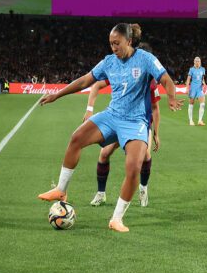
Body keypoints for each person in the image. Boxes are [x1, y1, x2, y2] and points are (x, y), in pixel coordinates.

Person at [37, 23, 182, 232]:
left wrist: (171, 97)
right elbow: (85, 81)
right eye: (111, 44)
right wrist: (57, 95)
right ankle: (61, 190)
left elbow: (166, 79)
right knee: (76, 138)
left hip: (135, 122)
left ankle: (116, 219)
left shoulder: (146, 59)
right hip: (112, 115)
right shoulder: (109, 61)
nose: (113, 48)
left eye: (117, 43)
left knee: (133, 167)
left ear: (129, 41)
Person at [87, 75, 162, 207]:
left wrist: (156, 133)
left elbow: (155, 107)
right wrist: (89, 109)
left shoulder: (150, 82)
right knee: (104, 154)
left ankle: (143, 189)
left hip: (140, 125)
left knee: (145, 156)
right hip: (119, 122)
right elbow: (97, 85)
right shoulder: (122, 73)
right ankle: (101, 194)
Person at [186, 56, 207, 126]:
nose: (197, 62)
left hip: (199, 89)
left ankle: (200, 120)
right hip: (193, 88)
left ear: (200, 62)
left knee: (203, 104)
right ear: (194, 62)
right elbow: (188, 79)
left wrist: (204, 83)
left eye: (199, 61)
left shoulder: (203, 69)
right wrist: (187, 88)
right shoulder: (191, 69)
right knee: (191, 104)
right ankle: (191, 120)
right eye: (196, 61)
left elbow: (202, 78)